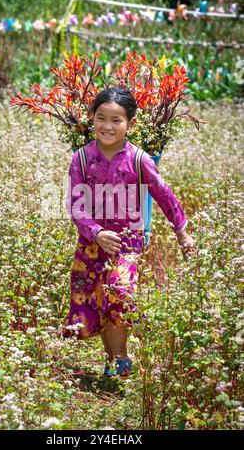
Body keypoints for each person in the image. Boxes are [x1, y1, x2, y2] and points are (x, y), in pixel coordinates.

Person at [62, 86, 195, 378]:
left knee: (119, 293)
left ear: (130, 124)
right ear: (92, 119)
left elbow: (164, 195)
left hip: (127, 242)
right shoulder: (81, 160)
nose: (107, 126)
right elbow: (76, 206)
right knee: (98, 301)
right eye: (101, 118)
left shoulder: (138, 159)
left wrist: (181, 231)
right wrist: (96, 233)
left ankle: (121, 356)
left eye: (116, 120)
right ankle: (113, 360)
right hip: (91, 244)